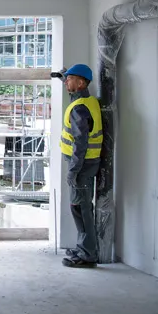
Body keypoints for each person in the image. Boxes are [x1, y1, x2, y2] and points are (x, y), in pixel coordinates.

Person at [56, 64, 102, 268]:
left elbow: (80, 143)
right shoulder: (86, 101)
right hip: (86, 163)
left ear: (81, 82)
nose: (66, 82)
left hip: (81, 165)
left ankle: (87, 253)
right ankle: (84, 247)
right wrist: (63, 75)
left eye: (69, 79)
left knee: (81, 208)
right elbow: (74, 96)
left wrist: (73, 171)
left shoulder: (80, 108)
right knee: (80, 207)